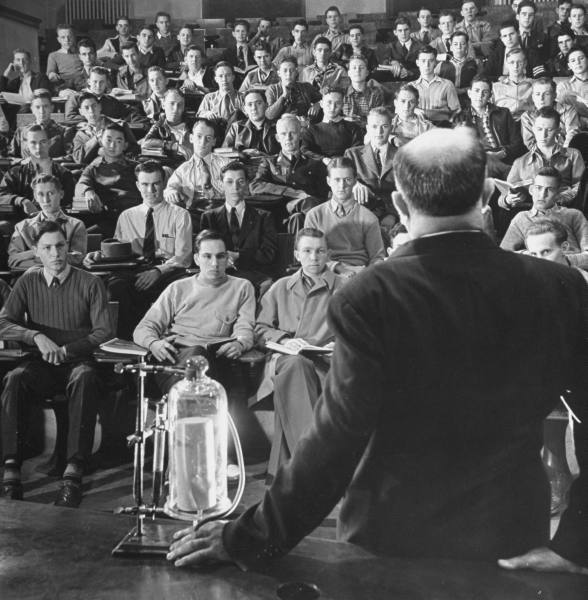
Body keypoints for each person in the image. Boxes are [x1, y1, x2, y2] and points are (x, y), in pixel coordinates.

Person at [167, 126, 588, 578]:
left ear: (402, 206)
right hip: (511, 532)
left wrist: (252, 537)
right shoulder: (560, 287)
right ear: (486, 195)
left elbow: (336, 437)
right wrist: (577, 545)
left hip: (391, 536)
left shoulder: (370, 292)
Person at [0, 220, 112, 508]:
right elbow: (3, 322)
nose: (55, 253)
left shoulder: (91, 282)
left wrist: (66, 350)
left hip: (77, 362)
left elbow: (103, 331)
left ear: (68, 248)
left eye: (60, 246)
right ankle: (11, 470)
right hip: (40, 364)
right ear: (37, 253)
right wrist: (35, 335)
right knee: (14, 379)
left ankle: (73, 473)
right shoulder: (27, 281)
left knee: (85, 378)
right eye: (47, 248)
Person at [255, 227, 344, 476]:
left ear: (328, 255)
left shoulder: (345, 287)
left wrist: (339, 343)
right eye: (307, 251)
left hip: (327, 361)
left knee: (301, 369)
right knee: (295, 365)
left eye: (320, 251)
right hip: (285, 359)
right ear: (296, 254)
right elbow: (260, 328)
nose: (314, 257)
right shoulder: (280, 288)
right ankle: (313, 463)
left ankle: (298, 469)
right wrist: (283, 340)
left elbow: (359, 329)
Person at [133, 229, 255, 391]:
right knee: (197, 357)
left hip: (218, 358)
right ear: (197, 259)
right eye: (207, 256)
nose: (214, 263)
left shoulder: (242, 287)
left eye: (220, 256)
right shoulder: (178, 288)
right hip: (178, 358)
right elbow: (144, 328)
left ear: (228, 258)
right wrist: (154, 343)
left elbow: (245, 326)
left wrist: (240, 343)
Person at [84, 160, 192, 337]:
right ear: (137, 185)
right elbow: (118, 252)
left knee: (180, 285)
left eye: (156, 184)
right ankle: (128, 339)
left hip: (168, 269)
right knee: (116, 286)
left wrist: (158, 271)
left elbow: (184, 257)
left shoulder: (180, 215)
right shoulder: (127, 216)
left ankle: (169, 339)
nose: (151, 190)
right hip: (135, 268)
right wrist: (99, 255)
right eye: (145, 184)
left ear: (164, 184)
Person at [201, 161, 278, 290]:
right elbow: (205, 253)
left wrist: (239, 256)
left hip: (255, 276)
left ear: (247, 184)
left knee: (268, 286)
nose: (235, 188)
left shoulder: (264, 217)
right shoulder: (209, 217)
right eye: (229, 182)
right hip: (220, 275)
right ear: (221, 185)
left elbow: (268, 254)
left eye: (240, 182)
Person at [304, 157, 385, 278]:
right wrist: (338, 268)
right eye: (337, 180)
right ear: (328, 181)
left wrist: (365, 276)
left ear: (354, 181)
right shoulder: (315, 215)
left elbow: (377, 258)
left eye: (347, 179)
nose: (342, 186)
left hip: (358, 275)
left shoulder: (369, 218)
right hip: (324, 273)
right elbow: (309, 254)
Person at [250, 113, 328, 232]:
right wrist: (294, 193)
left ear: (301, 135)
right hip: (278, 214)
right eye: (283, 134)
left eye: (293, 133)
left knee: (300, 216)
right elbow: (255, 186)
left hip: (305, 216)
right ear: (277, 138)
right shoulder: (270, 162)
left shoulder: (314, 164)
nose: (288, 137)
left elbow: (322, 196)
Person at [501, 167, 588, 270]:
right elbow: (502, 256)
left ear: (558, 193)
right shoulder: (521, 218)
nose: (542, 194)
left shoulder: (574, 215)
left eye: (549, 189)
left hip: (573, 273)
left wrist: (563, 260)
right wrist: (530, 255)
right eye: (538, 188)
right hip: (538, 274)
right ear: (531, 190)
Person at [8, 174, 86, 270]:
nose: (46, 200)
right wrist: (56, 259)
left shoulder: (76, 225)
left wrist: (33, 253)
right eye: (40, 194)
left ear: (61, 194)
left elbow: (77, 259)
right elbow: (13, 261)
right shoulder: (22, 227)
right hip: (30, 280)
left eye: (50, 193)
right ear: (35, 197)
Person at [454, 76, 525, 179]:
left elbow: (518, 144)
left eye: (485, 92)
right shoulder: (460, 117)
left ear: (490, 96)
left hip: (503, 159)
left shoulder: (503, 113)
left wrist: (502, 153)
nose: (480, 95)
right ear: (469, 93)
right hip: (478, 162)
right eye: (477, 91)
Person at [74, 123, 141, 233]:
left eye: (118, 141)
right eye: (108, 140)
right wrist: (88, 191)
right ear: (100, 141)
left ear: (125, 145)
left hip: (133, 218)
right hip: (107, 218)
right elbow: (82, 183)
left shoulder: (136, 168)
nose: (112, 145)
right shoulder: (93, 168)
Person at [344, 107, 398, 236]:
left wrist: (393, 215)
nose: (379, 131)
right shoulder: (352, 154)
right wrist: (354, 184)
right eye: (374, 126)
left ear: (391, 128)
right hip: (362, 214)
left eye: (384, 126)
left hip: (394, 217)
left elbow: (408, 193)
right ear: (367, 128)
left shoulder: (402, 156)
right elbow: (342, 183)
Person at [0, 126, 74, 217]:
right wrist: (21, 201)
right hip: (22, 221)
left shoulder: (64, 174)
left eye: (42, 142)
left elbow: (67, 204)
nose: (38, 147)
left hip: (54, 223)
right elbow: (1, 195)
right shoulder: (14, 173)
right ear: (27, 145)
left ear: (49, 143)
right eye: (33, 143)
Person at [164, 117, 230, 213]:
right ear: (191, 138)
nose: (203, 142)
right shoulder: (183, 170)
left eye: (208, 138)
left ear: (214, 141)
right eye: (199, 136)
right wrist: (171, 192)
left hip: (222, 212)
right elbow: (170, 188)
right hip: (193, 214)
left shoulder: (226, 164)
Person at [70, 92, 138, 165]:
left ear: (100, 107)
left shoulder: (119, 125)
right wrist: (96, 139)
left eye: (94, 106)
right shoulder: (81, 134)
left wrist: (111, 153)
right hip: (94, 171)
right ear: (81, 112)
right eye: (86, 108)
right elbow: (78, 159)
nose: (91, 111)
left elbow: (135, 149)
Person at [521, 77, 580, 152]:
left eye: (546, 94)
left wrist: (562, 153)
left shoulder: (568, 110)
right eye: (537, 94)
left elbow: (572, 135)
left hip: (566, 153)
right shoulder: (527, 117)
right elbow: (530, 143)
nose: (541, 98)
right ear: (533, 97)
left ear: (554, 95)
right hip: (541, 156)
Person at [9, 89, 71, 160]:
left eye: (45, 106)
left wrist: (48, 161)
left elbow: (71, 157)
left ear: (52, 108)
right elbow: (11, 157)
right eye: (37, 107)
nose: (42, 111)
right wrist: (23, 162)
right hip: (27, 169)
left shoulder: (63, 132)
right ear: (32, 109)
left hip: (52, 169)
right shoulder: (22, 131)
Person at [524, 217, 588, 283]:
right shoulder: (526, 283)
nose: (539, 260)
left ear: (564, 248)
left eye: (546, 252)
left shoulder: (584, 282)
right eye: (534, 254)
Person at [141, 88, 192, 167]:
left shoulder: (194, 125)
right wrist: (173, 146)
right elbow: (145, 143)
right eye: (172, 103)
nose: (175, 109)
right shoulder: (159, 126)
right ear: (163, 105)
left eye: (180, 104)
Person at [64, 66, 132, 124]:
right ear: (89, 82)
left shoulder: (111, 101)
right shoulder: (75, 98)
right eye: (95, 82)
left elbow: (129, 112)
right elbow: (69, 117)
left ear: (106, 83)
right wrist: (99, 118)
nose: (98, 86)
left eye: (102, 82)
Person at [412, 46, 460, 126]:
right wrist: (414, 110)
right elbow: (401, 111)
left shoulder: (447, 85)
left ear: (435, 62)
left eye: (430, 61)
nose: (427, 65)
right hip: (418, 131)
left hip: (442, 130)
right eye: (423, 61)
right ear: (417, 63)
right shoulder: (410, 87)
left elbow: (457, 111)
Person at [223, 89, 279, 156]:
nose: (254, 108)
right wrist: (242, 154)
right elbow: (223, 153)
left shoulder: (277, 127)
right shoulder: (236, 127)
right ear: (244, 109)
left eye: (258, 103)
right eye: (250, 104)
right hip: (242, 165)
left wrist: (264, 156)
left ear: (266, 105)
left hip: (270, 165)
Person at [434, 31, 479, 107]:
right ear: (451, 47)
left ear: (467, 46)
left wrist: (462, 90)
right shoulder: (442, 64)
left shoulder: (474, 64)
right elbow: (433, 82)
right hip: (445, 99)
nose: (459, 46)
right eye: (455, 44)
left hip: (468, 99)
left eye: (462, 44)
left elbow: (479, 83)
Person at [197, 62, 244, 129]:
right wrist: (207, 114)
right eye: (220, 76)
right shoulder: (209, 97)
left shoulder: (243, 97)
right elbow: (200, 114)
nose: (224, 79)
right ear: (216, 79)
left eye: (228, 75)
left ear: (233, 77)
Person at [492, 48, 534, 122]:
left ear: (525, 63)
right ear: (507, 64)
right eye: (512, 62)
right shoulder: (496, 87)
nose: (515, 66)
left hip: (528, 123)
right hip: (503, 125)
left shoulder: (534, 86)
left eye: (519, 62)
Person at [375, 17, 422, 83]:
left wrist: (410, 72)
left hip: (415, 81)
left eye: (406, 30)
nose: (403, 33)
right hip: (395, 81)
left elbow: (425, 67)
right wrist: (392, 62)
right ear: (395, 32)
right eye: (400, 31)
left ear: (410, 30)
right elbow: (382, 63)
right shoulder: (390, 46)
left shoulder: (420, 46)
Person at [341, 56, 385, 126]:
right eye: (354, 68)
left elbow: (379, 117)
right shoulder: (341, 93)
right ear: (348, 73)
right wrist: (344, 119)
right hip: (346, 131)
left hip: (370, 131)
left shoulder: (376, 93)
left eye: (361, 68)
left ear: (367, 72)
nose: (357, 70)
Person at [46, 24, 84, 90]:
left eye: (70, 36)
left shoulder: (81, 53)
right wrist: (52, 74)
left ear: (74, 37)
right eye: (63, 37)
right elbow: (50, 72)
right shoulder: (53, 55)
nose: (67, 40)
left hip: (82, 84)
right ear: (58, 39)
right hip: (64, 86)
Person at [221, 19, 256, 86]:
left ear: (248, 33)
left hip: (251, 82)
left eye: (243, 31)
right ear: (233, 34)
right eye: (238, 31)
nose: (240, 34)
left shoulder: (254, 51)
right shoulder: (227, 52)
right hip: (232, 83)